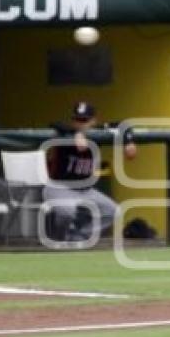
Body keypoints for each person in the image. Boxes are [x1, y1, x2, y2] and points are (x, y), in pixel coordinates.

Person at [45, 102, 136, 243]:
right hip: (59, 187)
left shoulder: (99, 132)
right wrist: (75, 134)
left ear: (94, 121)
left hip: (85, 190)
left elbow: (124, 125)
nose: (81, 124)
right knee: (67, 212)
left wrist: (128, 141)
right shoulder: (64, 133)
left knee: (114, 212)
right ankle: (60, 238)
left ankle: (80, 234)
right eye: (77, 120)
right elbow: (54, 124)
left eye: (85, 120)